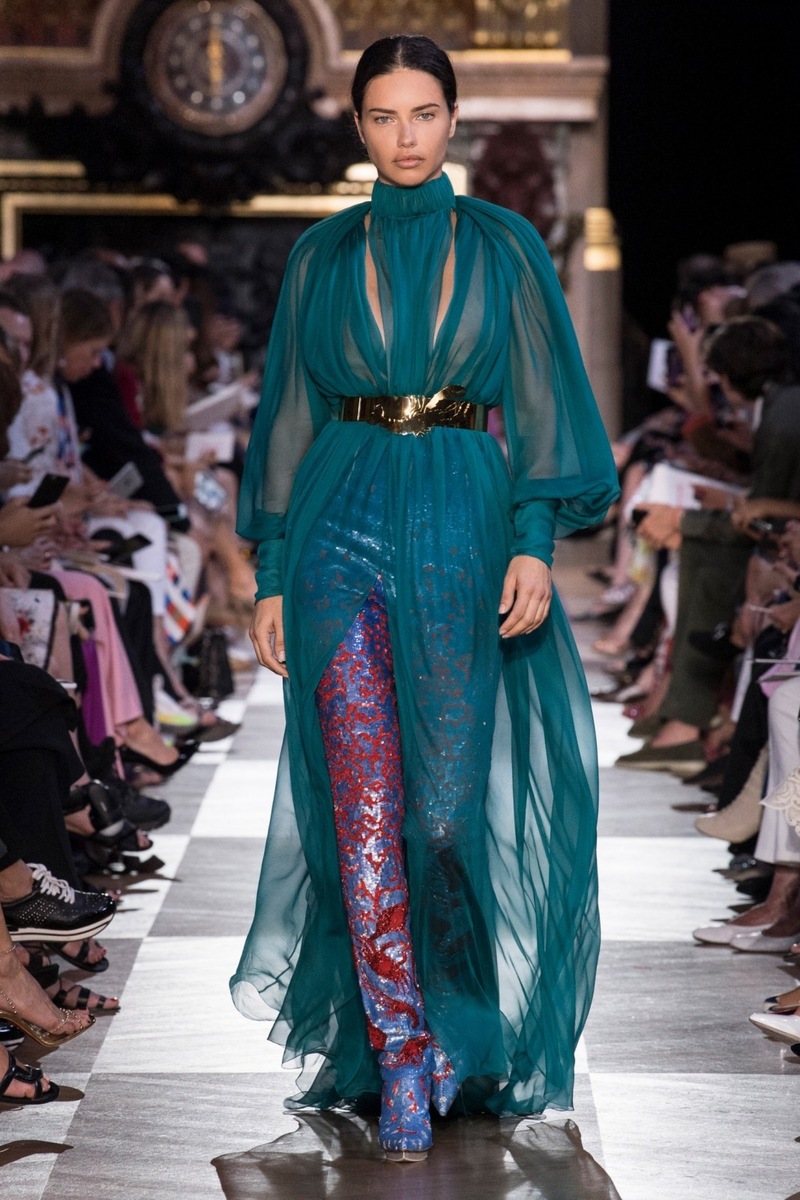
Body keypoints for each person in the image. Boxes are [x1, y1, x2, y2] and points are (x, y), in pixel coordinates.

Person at [232, 35, 618, 1162]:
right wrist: (269, 571)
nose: (404, 136)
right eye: (383, 115)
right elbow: (287, 414)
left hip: (460, 524)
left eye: (423, 113)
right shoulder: (320, 253)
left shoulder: (503, 246)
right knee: (362, 808)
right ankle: (400, 1047)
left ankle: (452, 1021)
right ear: (358, 125)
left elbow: (540, 406)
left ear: (453, 119)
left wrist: (533, 543)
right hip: (336, 526)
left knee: (441, 816)